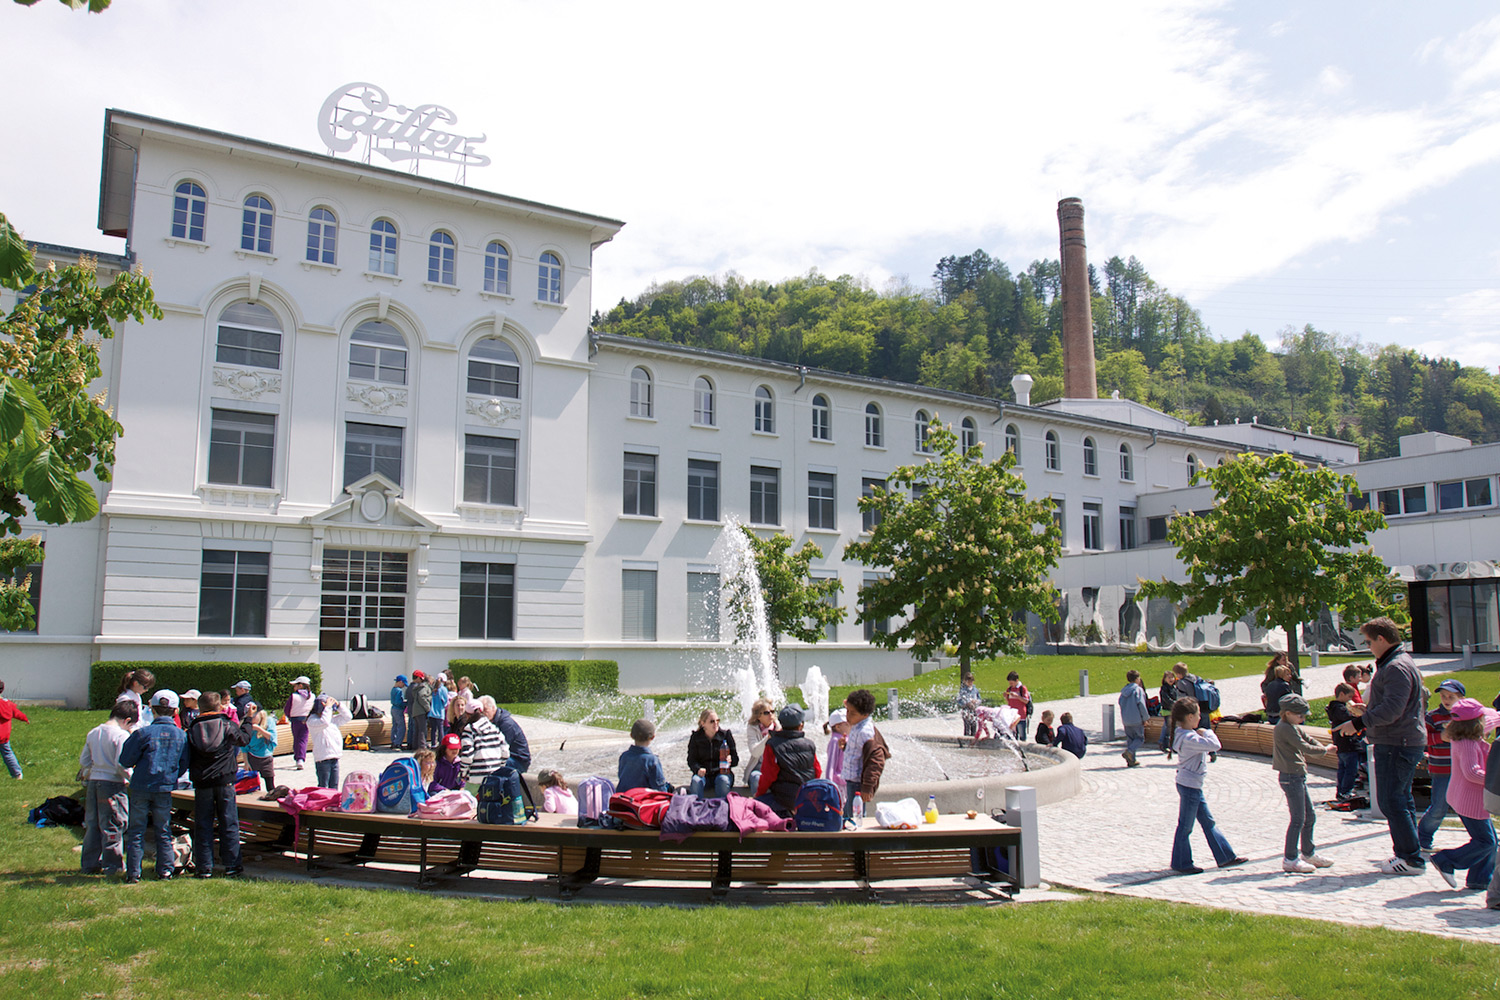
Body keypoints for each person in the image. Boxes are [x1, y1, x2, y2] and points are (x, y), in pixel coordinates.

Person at [1346, 616, 1428, 876]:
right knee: (1401, 798)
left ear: (1382, 639)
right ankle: (1410, 853)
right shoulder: (1397, 663)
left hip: (1397, 742)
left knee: (1391, 800)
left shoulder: (1395, 667)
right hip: (1399, 740)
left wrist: (1359, 722)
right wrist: (1369, 711)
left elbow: (1393, 709)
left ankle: (1411, 859)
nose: (1368, 647)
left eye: (1370, 642)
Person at [1169, 696, 1247, 874]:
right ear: (1189, 717)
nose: (1200, 718)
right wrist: (1207, 732)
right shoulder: (1189, 738)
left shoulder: (1184, 735)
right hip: (1190, 786)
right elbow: (1215, 745)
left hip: (1190, 784)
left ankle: (1225, 856)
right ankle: (1181, 862)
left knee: (1207, 821)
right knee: (1185, 826)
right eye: (1197, 715)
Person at [119, 690, 189, 883]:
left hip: (142, 785)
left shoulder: (143, 733)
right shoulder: (181, 735)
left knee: (136, 830)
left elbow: (125, 759)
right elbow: (184, 764)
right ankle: (165, 870)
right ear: (175, 711)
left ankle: (133, 872)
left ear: (152, 709)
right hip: (165, 787)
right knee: (163, 829)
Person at [183, 690, 254, 879]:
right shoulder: (226, 725)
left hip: (202, 781)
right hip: (225, 780)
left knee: (203, 824)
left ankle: (204, 867)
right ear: (219, 706)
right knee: (229, 823)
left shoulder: (192, 729)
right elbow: (244, 739)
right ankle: (232, 865)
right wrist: (248, 720)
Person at [1431, 698, 1499, 891]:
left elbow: (1494, 719)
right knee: (1486, 842)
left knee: (1489, 841)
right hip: (1470, 800)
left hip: (1465, 797)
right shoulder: (1467, 743)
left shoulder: (1463, 733)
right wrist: (1494, 780)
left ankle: (1479, 879)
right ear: (1476, 723)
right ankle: (1446, 860)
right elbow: (1471, 772)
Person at [1272, 693, 1333, 873]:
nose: (1303, 718)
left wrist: (1323, 746)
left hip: (1297, 776)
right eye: (1300, 715)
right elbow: (1304, 747)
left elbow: (1308, 739)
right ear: (1288, 713)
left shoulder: (1293, 726)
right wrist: (1324, 751)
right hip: (1290, 777)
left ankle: (1308, 853)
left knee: (1310, 816)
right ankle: (1290, 858)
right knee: (1298, 818)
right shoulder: (1284, 728)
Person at [78, 700, 137, 874]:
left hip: (94, 782)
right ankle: (113, 865)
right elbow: (122, 764)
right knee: (114, 823)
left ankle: (89, 863)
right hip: (113, 783)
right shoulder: (120, 735)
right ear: (127, 720)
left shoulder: (94, 732)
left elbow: (84, 761)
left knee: (93, 823)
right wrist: (132, 779)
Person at [1418, 679, 1467, 854]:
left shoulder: (1466, 716)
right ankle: (1422, 838)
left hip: (1465, 770)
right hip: (1442, 770)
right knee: (1439, 807)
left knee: (1469, 807)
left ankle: (1482, 839)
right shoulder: (1432, 717)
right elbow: (1422, 739)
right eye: (1443, 696)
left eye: (1451, 696)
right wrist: (1441, 738)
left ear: (1461, 698)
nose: (1446, 699)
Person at [755, 705, 822, 815]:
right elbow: (817, 771)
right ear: (801, 726)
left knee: (753, 807)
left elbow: (768, 776)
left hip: (782, 801)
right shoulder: (809, 744)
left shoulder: (773, 745)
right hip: (807, 799)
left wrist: (758, 795)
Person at [839, 689, 878, 820]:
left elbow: (875, 762)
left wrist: (867, 787)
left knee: (855, 815)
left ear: (865, 714)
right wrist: (846, 747)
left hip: (858, 782)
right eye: (847, 711)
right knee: (848, 811)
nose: (847, 716)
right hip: (851, 779)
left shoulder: (866, 732)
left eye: (852, 713)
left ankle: (855, 838)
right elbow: (858, 752)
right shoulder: (856, 725)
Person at [686, 707, 739, 799]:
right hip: (704, 774)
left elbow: (736, 760)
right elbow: (691, 760)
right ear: (703, 724)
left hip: (721, 773)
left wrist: (730, 760)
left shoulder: (725, 735)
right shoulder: (696, 737)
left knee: (723, 780)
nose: (716, 724)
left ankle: (723, 809)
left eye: (717, 721)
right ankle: (696, 809)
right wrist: (698, 769)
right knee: (696, 781)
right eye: (712, 721)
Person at [1325, 683, 1365, 801]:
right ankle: (1346, 791)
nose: (1350, 700)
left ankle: (1341, 791)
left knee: (1342, 769)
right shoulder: (1340, 708)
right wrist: (1360, 715)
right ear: (1342, 694)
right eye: (1349, 697)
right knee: (1350, 770)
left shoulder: (1333, 708)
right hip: (1348, 744)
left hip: (1340, 745)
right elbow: (1350, 720)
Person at [306, 695, 350, 790]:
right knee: (323, 787)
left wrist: (339, 705)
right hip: (323, 758)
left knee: (334, 787)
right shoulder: (312, 721)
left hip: (334, 756)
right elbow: (324, 722)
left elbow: (348, 717)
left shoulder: (331, 720)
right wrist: (328, 707)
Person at [458, 707, 508, 788]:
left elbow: (467, 756)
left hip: (476, 778)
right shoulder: (494, 728)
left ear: (467, 715)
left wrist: (463, 774)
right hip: (495, 777)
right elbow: (505, 752)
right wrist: (499, 767)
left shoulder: (469, 729)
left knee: (470, 799)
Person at [618, 719, 672, 793]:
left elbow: (621, 776)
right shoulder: (652, 760)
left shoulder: (624, 756)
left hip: (624, 797)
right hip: (641, 800)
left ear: (631, 735)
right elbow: (659, 788)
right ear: (653, 737)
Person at [483, 697, 532, 773]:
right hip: (508, 757)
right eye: (481, 711)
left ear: (493, 708)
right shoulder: (492, 721)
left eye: (485, 710)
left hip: (518, 761)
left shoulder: (506, 724)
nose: (483, 714)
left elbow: (500, 748)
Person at [243, 702, 278, 792]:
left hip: (266, 756)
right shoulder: (246, 725)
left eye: (254, 716)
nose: (252, 719)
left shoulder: (269, 721)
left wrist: (259, 729)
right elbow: (244, 746)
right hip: (252, 756)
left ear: (260, 714)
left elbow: (272, 737)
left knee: (270, 784)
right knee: (253, 785)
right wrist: (246, 762)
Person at [1117, 669, 1149, 767]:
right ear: (1137, 679)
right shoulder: (1138, 690)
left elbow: (1120, 702)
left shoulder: (1124, 691)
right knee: (1139, 738)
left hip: (1126, 719)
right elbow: (1141, 704)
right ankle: (1129, 752)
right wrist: (1145, 718)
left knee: (1130, 739)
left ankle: (1131, 760)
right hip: (1136, 718)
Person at [0, 679, 30, 779]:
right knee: (8, 754)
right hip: (4, 736)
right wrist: (25, 718)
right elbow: (17, 713)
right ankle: (17, 773)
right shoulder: (7, 703)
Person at [283, 676, 315, 770]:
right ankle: (300, 758)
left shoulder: (294, 696)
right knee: (303, 739)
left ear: (300, 685)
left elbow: (287, 709)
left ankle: (298, 758)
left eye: (295, 685)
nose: (294, 687)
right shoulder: (312, 696)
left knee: (296, 739)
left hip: (295, 720)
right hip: (306, 719)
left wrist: (289, 716)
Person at [744, 698, 776, 791]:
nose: (770, 714)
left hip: (776, 768)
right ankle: (757, 804)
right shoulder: (752, 728)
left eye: (772, 711)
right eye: (766, 713)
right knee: (756, 778)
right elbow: (755, 752)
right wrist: (768, 737)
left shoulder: (779, 727)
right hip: (758, 767)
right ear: (758, 716)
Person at [404, 671, 432, 752]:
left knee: (416, 729)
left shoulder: (412, 687)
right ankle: (422, 747)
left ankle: (415, 745)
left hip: (414, 710)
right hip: (420, 711)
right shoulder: (423, 687)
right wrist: (427, 707)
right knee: (422, 729)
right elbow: (421, 696)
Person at [1004, 671, 1031, 742]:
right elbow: (1009, 702)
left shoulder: (1022, 688)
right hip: (1012, 715)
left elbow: (1026, 701)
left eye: (1012, 683)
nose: (1011, 685)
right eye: (1010, 683)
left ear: (1017, 681)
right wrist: (1006, 697)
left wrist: (1017, 696)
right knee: (1013, 734)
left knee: (1022, 734)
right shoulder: (1009, 689)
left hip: (1021, 715)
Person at [1157, 671, 1178, 755]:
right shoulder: (1164, 688)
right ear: (1165, 679)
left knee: (1174, 729)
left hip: (1174, 711)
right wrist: (1175, 703)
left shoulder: (1174, 688)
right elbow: (1166, 699)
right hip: (1167, 711)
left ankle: (1173, 746)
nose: (1171, 679)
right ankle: (1164, 744)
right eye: (1168, 677)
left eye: (1172, 677)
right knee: (1168, 729)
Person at [824, 708, 847, 782]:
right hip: (839, 783)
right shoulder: (835, 741)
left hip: (846, 781)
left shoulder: (846, 738)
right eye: (847, 724)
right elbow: (831, 764)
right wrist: (829, 783)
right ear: (838, 727)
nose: (851, 725)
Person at [427, 677, 451, 747]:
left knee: (433, 729)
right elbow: (445, 700)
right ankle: (441, 744)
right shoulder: (443, 689)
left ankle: (433, 744)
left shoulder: (432, 688)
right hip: (440, 712)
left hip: (431, 712)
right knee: (441, 729)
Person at [388, 674, 408, 751]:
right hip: (398, 709)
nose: (403, 686)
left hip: (393, 708)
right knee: (401, 727)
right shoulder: (399, 691)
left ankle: (393, 741)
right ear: (400, 682)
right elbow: (399, 702)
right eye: (403, 684)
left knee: (395, 726)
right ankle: (398, 743)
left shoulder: (393, 689)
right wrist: (406, 704)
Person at [957, 673, 981, 738]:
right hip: (966, 709)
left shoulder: (975, 690)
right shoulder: (963, 690)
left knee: (974, 725)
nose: (970, 683)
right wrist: (967, 702)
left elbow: (979, 699)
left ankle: (974, 738)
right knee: (967, 725)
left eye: (971, 681)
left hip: (974, 709)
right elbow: (959, 700)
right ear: (965, 681)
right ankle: (966, 739)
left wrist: (976, 701)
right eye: (968, 681)